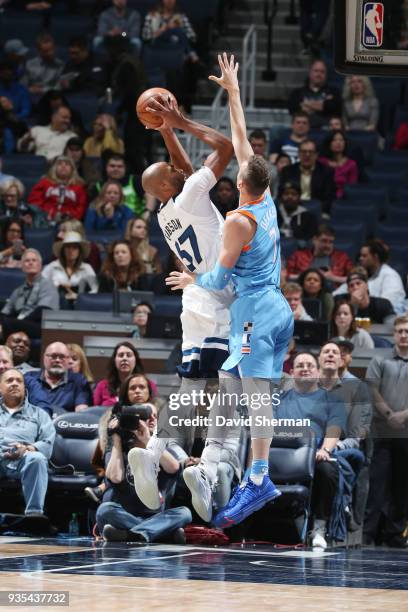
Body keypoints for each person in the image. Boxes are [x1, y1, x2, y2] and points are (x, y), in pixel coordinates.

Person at [163, 53, 294, 527]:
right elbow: (239, 142)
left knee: (253, 396)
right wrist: (233, 93)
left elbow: (219, 279)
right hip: (271, 309)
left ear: (240, 182)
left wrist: (191, 277)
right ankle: (231, 467)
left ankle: (258, 478)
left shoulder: (239, 221)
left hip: (255, 311)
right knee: (233, 385)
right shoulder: (265, 200)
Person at [124, 73, 234, 520]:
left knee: (189, 390)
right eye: (173, 172)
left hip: (193, 306)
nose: (179, 167)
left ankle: (155, 452)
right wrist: (182, 121)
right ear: (170, 185)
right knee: (228, 389)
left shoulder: (167, 212)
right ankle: (208, 467)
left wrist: (165, 129)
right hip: (221, 301)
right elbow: (224, 149)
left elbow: (184, 172)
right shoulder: (188, 193)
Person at [95, 387, 191, 543]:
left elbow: (173, 467)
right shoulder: (119, 451)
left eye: (155, 416)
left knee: (185, 513)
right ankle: (160, 534)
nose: (152, 419)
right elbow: (115, 477)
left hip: (156, 516)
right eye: (147, 415)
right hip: (125, 514)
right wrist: (117, 438)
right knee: (104, 510)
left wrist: (148, 440)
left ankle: (131, 534)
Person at [277, 351, 346, 548]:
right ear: (292, 372)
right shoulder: (280, 399)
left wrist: (325, 450)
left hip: (314, 457)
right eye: (300, 365)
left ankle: (319, 528)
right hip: (282, 457)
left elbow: (334, 428)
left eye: (310, 365)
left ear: (317, 371)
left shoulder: (332, 400)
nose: (305, 368)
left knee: (327, 470)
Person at [364, 314, 408, 548]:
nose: (403, 335)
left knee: (403, 485)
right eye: (400, 331)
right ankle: (369, 533)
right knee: (377, 484)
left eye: (407, 331)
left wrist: (403, 416)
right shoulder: (380, 360)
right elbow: (372, 390)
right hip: (382, 431)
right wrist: (391, 415)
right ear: (394, 334)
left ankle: (395, 534)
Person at [0, 368, 55, 518]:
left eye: (19, 381)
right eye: (9, 380)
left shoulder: (39, 414)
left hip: (23, 459)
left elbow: (47, 442)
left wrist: (27, 449)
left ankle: (34, 516)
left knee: (37, 458)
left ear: (25, 387)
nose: (15, 384)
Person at [0, 249, 59, 341]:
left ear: (40, 265)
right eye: (27, 261)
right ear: (22, 266)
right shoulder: (18, 290)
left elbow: (43, 311)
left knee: (7, 324)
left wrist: (19, 323)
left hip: (40, 326)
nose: (30, 263)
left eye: (34, 260)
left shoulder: (48, 285)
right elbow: (5, 312)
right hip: (18, 324)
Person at [24, 341, 92, 417]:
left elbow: (81, 413)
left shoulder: (79, 380)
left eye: (62, 357)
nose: (57, 360)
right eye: (53, 356)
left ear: (67, 360)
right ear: (44, 357)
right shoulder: (29, 378)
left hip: (65, 426)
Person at [280, 139, 336, 215]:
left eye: (311, 152)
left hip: (317, 211)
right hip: (292, 210)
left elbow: (329, 197)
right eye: (304, 152)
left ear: (316, 155)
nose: (307, 155)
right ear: (299, 154)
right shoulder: (288, 171)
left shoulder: (326, 172)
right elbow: (282, 194)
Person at [287, 224, 353, 287]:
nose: (328, 245)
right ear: (314, 239)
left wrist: (333, 278)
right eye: (324, 241)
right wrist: (304, 276)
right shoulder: (299, 256)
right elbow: (285, 276)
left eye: (331, 242)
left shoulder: (341, 257)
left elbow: (354, 278)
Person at [28, 155, 88, 222]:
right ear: (54, 168)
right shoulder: (44, 182)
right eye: (59, 164)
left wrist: (69, 216)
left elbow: (81, 208)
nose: (63, 166)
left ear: (72, 169)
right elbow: (34, 202)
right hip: (44, 218)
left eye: (67, 164)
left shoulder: (79, 187)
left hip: (69, 220)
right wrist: (48, 214)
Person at [42, 231, 98, 303]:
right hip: (56, 305)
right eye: (68, 247)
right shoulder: (52, 266)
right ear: (63, 250)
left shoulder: (87, 268)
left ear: (79, 251)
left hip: (79, 307)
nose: (71, 251)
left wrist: (79, 297)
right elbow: (40, 286)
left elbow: (96, 290)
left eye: (75, 248)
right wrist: (57, 286)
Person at [91, 153, 150, 218]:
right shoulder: (98, 186)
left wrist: (147, 211)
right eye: (112, 166)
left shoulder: (135, 181)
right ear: (106, 167)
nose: (116, 169)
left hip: (134, 222)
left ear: (125, 168)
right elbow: (93, 208)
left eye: (120, 166)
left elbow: (150, 195)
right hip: (105, 222)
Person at [288, 59, 342, 129]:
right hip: (303, 130)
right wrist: (323, 105)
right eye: (316, 71)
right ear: (310, 73)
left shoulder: (334, 92)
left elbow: (336, 109)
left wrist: (306, 104)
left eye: (322, 72)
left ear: (326, 75)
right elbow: (293, 110)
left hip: (327, 132)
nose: (319, 74)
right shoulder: (297, 93)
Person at [93, 341, 145, 407]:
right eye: (121, 355)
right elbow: (95, 411)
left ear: (136, 360)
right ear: (114, 360)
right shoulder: (102, 386)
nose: (124, 358)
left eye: (129, 355)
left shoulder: (147, 385)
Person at [358, 240, 405, 309]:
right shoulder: (361, 275)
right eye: (360, 256)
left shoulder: (390, 276)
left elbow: (387, 304)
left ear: (375, 257)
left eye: (364, 256)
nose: (360, 258)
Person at [319, 130, 358, 199]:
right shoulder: (321, 162)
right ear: (329, 143)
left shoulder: (351, 164)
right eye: (334, 140)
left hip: (343, 200)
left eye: (341, 140)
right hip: (323, 197)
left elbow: (352, 188)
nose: (338, 143)